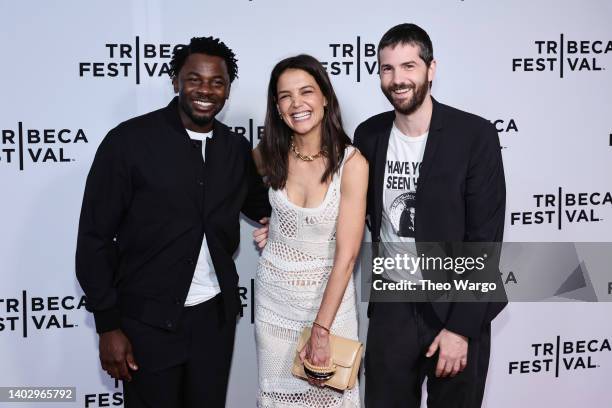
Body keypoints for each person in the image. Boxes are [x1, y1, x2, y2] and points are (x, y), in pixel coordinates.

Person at [75, 36, 270, 408]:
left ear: (228, 89)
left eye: (217, 82)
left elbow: (265, 205)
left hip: (213, 320)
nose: (205, 90)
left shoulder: (234, 149)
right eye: (194, 79)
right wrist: (108, 325)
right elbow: (94, 240)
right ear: (175, 81)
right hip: (146, 322)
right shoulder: (128, 143)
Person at [353, 24, 507, 407]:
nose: (398, 79)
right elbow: (348, 207)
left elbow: (484, 240)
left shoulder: (475, 135)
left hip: (456, 306)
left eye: (409, 66)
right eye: (387, 69)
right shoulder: (368, 134)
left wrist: (459, 329)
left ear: (431, 68)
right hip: (393, 306)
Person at [252, 54, 368, 408]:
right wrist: (277, 223)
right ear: (277, 105)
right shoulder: (266, 155)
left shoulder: (352, 163)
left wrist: (321, 330)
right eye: (285, 96)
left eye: (306, 91)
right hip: (273, 305)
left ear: (324, 98)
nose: (296, 103)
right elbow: (233, 196)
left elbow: (347, 258)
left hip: (328, 310)